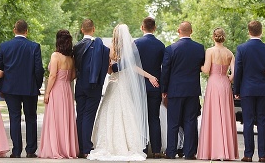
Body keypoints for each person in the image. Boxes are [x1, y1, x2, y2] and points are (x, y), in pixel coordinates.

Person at [88, 23, 160, 161]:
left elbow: (109, 71)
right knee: (127, 113)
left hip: (114, 83)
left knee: (110, 112)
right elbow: (134, 67)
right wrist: (150, 76)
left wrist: (111, 67)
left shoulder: (111, 49)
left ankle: (108, 144)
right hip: (125, 84)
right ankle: (128, 145)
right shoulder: (130, 48)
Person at [0, 20, 45, 158]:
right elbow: (38, 69)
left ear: (14, 30)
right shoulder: (34, 47)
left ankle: (16, 150)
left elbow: (0, 68)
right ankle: (30, 150)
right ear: (26, 31)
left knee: (14, 117)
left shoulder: (4, 46)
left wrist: (2, 87)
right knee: (31, 117)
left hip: (10, 88)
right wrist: (37, 84)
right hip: (29, 88)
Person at [161, 21, 205, 160]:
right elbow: (200, 67)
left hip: (175, 90)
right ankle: (190, 152)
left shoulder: (170, 49)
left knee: (173, 122)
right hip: (192, 89)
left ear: (178, 31)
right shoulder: (199, 48)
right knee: (190, 121)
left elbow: (165, 71)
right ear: (191, 31)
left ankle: (171, 152)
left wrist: (164, 89)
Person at [233, 20, 265, 163]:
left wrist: (236, 90)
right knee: (262, 121)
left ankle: (248, 154)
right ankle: (263, 155)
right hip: (263, 89)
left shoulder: (242, 48)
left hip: (247, 89)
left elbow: (238, 71)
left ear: (249, 32)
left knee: (248, 122)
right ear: (261, 31)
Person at [198, 28, 239, 161]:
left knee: (214, 115)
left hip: (214, 83)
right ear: (224, 37)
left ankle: (214, 151)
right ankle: (226, 151)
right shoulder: (229, 53)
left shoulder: (210, 51)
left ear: (213, 37)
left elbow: (205, 70)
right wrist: (228, 79)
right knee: (225, 115)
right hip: (225, 83)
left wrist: (199, 66)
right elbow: (235, 72)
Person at [74, 19, 111, 158]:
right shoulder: (101, 48)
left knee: (81, 116)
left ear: (82, 30)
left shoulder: (76, 47)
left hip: (80, 85)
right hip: (94, 86)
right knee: (89, 116)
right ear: (94, 29)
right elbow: (104, 68)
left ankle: (78, 146)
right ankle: (86, 148)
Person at [39, 30, 79, 159]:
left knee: (55, 118)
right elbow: (73, 76)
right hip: (67, 89)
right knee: (65, 118)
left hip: (56, 89)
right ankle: (67, 148)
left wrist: (47, 93)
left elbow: (52, 75)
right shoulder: (71, 58)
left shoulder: (55, 55)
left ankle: (56, 148)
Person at [135, 16, 166, 158]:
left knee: (140, 118)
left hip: (139, 87)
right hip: (155, 86)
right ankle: (156, 150)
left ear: (142, 27)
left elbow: (132, 66)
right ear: (154, 28)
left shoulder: (136, 43)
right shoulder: (161, 45)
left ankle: (142, 149)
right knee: (154, 118)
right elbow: (164, 69)